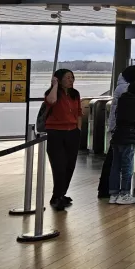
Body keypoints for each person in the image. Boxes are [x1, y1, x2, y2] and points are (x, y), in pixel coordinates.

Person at [98, 65, 135, 199]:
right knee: (126, 164)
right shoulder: (127, 90)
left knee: (114, 163)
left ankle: (111, 192)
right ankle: (124, 193)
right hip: (127, 133)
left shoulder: (120, 87)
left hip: (117, 131)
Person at [43, 69, 82, 211]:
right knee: (58, 165)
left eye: (72, 77)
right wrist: (54, 86)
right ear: (59, 79)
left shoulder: (75, 94)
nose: (71, 80)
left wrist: (78, 129)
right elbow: (51, 101)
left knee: (69, 166)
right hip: (55, 133)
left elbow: (79, 113)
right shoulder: (52, 93)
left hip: (72, 132)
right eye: (67, 78)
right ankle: (56, 196)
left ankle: (61, 194)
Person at [109, 81, 135, 205]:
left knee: (116, 166)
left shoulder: (123, 99)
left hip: (118, 135)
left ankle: (113, 194)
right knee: (127, 166)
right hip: (129, 136)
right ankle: (125, 193)